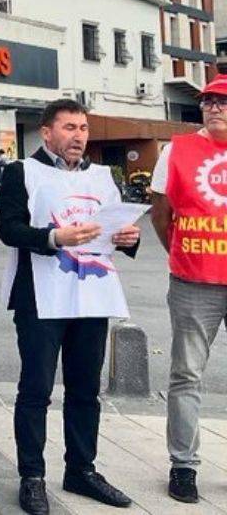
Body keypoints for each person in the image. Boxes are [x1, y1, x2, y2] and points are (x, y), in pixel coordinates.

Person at [0, 99, 137, 515]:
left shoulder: (102, 176)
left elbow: (115, 227)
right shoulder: (22, 171)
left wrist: (129, 239)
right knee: (36, 390)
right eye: (70, 128)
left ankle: (81, 469)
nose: (79, 136)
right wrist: (56, 238)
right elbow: (9, 229)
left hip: (91, 295)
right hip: (41, 297)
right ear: (46, 132)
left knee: (85, 391)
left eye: (84, 129)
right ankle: (32, 477)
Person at [149, 74, 227, 504]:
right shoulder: (175, 151)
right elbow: (160, 214)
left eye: (222, 101)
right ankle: (184, 465)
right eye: (208, 101)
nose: (214, 107)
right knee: (186, 374)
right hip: (193, 281)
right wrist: (181, 252)